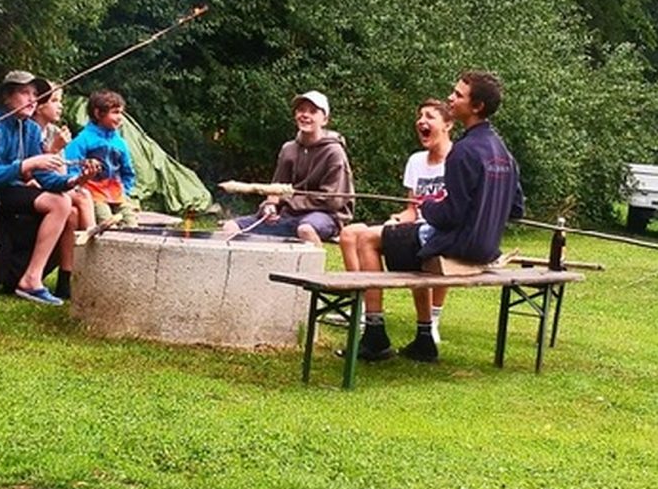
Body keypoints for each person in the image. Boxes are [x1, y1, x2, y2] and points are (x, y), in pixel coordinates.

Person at [356, 71, 525, 363]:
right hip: (486, 248)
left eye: (458, 95)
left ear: (477, 107)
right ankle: (423, 341)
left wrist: (427, 206)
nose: (451, 98)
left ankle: (375, 336)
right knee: (396, 238)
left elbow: (449, 215)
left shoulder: (464, 151)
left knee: (365, 238)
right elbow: (516, 210)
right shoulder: (504, 153)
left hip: (456, 245)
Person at [0, 70, 81, 304]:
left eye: (35, 94)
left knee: (61, 202)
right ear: (6, 97)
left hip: (6, 187)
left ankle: (31, 279)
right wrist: (27, 164)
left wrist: (75, 181)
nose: (32, 99)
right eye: (24, 93)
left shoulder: (29, 129)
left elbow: (45, 178)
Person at [339, 98, 453, 352]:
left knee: (372, 238)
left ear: (448, 124)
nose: (421, 121)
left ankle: (391, 330)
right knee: (350, 233)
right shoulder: (416, 161)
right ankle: (361, 309)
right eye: (419, 116)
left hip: (438, 232)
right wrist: (398, 219)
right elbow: (412, 208)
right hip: (417, 226)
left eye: (430, 116)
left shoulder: (457, 160)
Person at [221, 90, 353, 243]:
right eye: (301, 110)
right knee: (230, 227)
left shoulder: (334, 152)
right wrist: (270, 204)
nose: (305, 115)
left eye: (312, 111)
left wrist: (288, 202)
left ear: (325, 120)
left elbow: (333, 201)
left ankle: (314, 266)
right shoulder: (288, 149)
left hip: (324, 216)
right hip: (288, 215)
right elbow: (275, 188)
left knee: (305, 229)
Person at [64, 89, 138, 226]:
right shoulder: (83, 140)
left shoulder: (120, 143)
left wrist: (125, 191)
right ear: (98, 113)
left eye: (121, 112)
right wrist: (80, 188)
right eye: (115, 112)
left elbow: (128, 171)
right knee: (107, 222)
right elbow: (71, 167)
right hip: (95, 195)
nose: (120, 117)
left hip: (117, 196)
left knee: (131, 223)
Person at [31, 80, 96, 231]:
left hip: (52, 183)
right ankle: (96, 244)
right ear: (39, 106)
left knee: (73, 214)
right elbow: (31, 169)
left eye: (60, 101)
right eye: (54, 101)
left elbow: (61, 173)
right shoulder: (30, 131)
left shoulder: (54, 132)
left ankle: (75, 254)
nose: (60, 106)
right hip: (34, 185)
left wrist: (82, 167)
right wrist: (54, 149)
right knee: (83, 195)